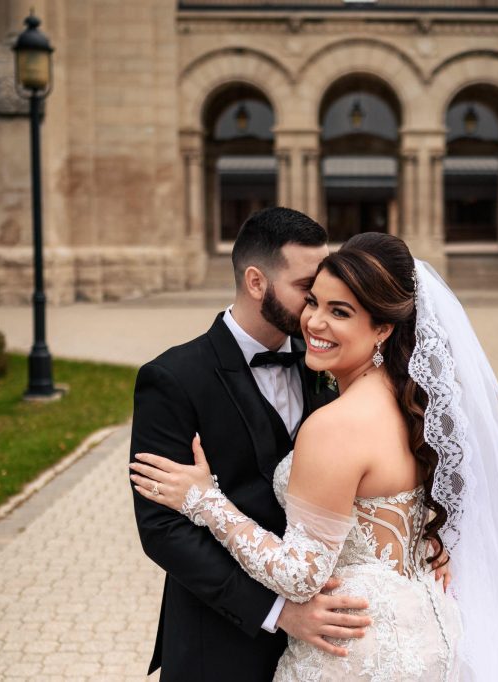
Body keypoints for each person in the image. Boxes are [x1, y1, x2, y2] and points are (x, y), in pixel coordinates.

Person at [132, 232, 498, 680]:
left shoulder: (336, 419)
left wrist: (203, 500)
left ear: (382, 328)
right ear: (256, 282)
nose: (313, 322)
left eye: (340, 311)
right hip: (419, 631)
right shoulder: (415, 402)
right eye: (312, 299)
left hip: (349, 648)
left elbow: (299, 575)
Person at [129, 207, 372, 682]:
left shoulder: (325, 363)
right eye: (307, 289)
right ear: (257, 282)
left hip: (325, 639)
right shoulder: (172, 378)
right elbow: (162, 529)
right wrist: (278, 609)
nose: (319, 305)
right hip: (218, 636)